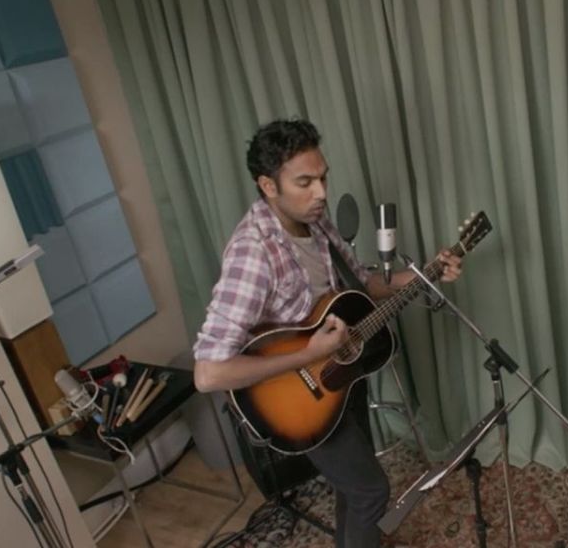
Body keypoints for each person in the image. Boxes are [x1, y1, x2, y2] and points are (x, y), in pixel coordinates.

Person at [192, 118, 463, 547]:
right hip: (295, 397)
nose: (321, 193)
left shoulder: (315, 221)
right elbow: (208, 373)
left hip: (341, 372)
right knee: (371, 492)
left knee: (352, 490)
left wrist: (424, 274)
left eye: (323, 178)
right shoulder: (253, 252)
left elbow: (363, 284)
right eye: (305, 182)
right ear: (268, 185)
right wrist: (309, 354)